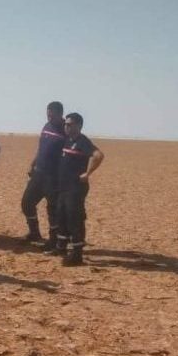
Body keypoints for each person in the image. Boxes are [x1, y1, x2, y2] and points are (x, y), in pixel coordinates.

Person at [55, 113, 104, 266]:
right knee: (61, 215)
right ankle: (61, 247)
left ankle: (77, 254)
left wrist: (87, 173)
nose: (66, 127)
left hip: (75, 188)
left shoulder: (82, 141)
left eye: (70, 124)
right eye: (66, 124)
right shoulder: (67, 140)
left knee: (74, 219)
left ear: (79, 126)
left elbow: (98, 155)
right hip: (63, 187)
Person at [21, 101, 66, 250]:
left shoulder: (66, 130)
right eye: (48, 115)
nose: (49, 118)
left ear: (60, 114)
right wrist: (32, 164)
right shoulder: (47, 126)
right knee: (27, 203)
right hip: (38, 173)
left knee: (52, 209)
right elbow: (41, 148)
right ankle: (34, 233)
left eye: (52, 116)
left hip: (53, 177)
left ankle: (54, 240)